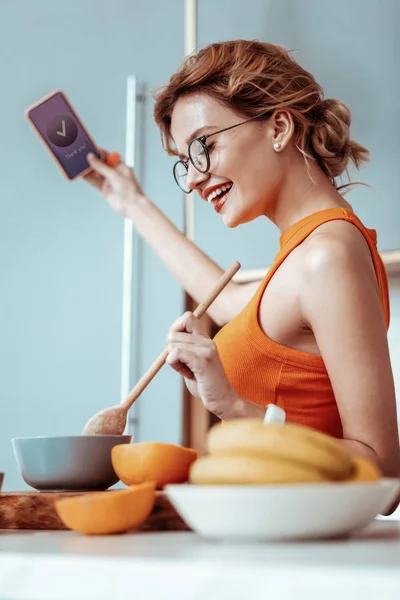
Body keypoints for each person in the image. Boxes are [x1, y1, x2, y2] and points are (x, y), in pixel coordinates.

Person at [84, 40, 400, 485]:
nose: (192, 178)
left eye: (202, 146)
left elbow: (382, 473)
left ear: (278, 128)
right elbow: (226, 301)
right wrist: (131, 202)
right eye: (183, 162)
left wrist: (233, 406)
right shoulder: (306, 252)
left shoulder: (325, 257)